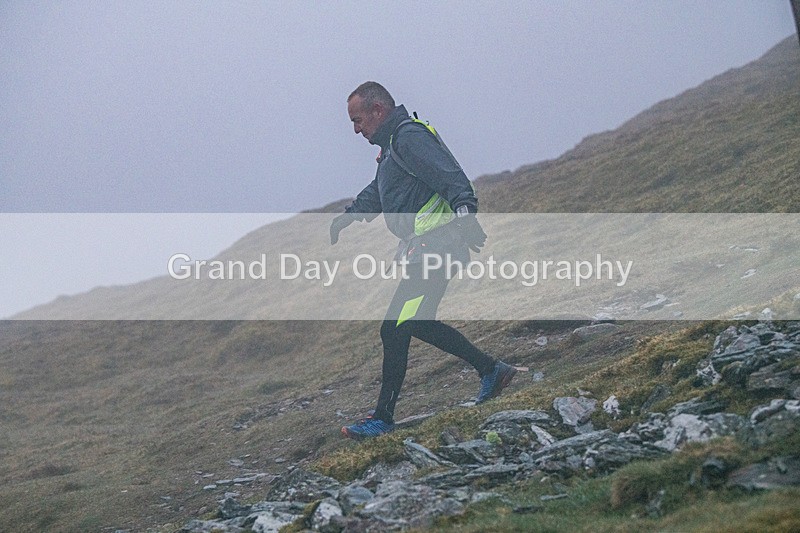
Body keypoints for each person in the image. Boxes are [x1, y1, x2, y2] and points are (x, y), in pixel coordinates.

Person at [330, 81, 517, 440]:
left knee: (396, 325)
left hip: (438, 246)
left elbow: (449, 175)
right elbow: (382, 191)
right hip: (429, 248)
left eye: (358, 120)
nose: (356, 130)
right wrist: (350, 215)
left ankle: (383, 418)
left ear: (377, 111)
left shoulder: (408, 137)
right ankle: (492, 370)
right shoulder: (392, 148)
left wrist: (466, 216)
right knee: (418, 322)